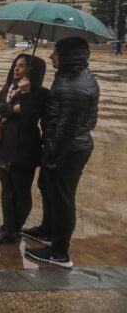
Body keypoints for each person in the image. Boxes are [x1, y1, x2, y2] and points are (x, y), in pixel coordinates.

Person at [24, 37, 99, 268]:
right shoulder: (68, 77)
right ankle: (47, 230)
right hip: (61, 146)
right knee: (47, 188)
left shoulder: (75, 85)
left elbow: (67, 128)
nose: (50, 56)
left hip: (67, 151)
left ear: (67, 56)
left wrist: (54, 157)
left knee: (63, 199)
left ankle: (59, 253)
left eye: (54, 52)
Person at [0, 54, 48, 245]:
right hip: (3, 146)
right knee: (7, 189)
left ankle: (14, 230)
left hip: (24, 150)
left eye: (22, 66)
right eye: (16, 64)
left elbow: (30, 119)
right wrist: (12, 110)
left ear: (32, 70)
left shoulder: (41, 93)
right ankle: (7, 225)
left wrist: (28, 93)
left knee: (21, 191)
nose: (16, 68)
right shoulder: (10, 87)